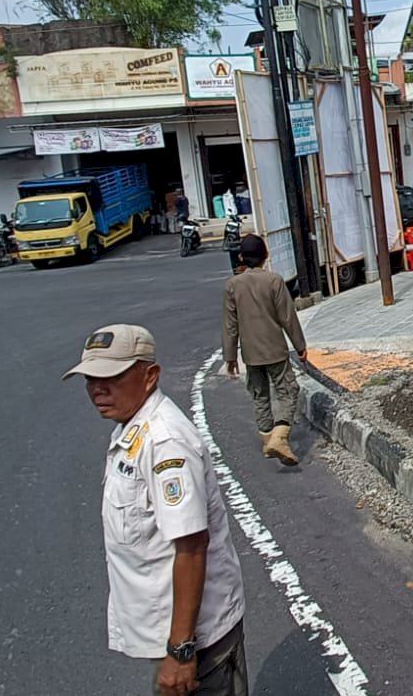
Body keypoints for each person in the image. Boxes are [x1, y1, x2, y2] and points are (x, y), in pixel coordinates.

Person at [65, 324, 248, 696]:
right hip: (169, 632)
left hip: (194, 641)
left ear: (150, 376)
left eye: (111, 377)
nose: (98, 389)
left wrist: (181, 651)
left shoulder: (166, 442)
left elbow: (192, 546)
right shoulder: (130, 428)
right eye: (90, 379)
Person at [222, 234, 308, 465]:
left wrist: (230, 356)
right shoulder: (274, 281)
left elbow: (230, 325)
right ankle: (280, 437)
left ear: (241, 257)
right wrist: (300, 346)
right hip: (275, 350)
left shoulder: (232, 285)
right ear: (266, 255)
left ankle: (268, 439)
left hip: (250, 354)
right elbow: (288, 317)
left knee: (260, 395)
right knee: (288, 391)